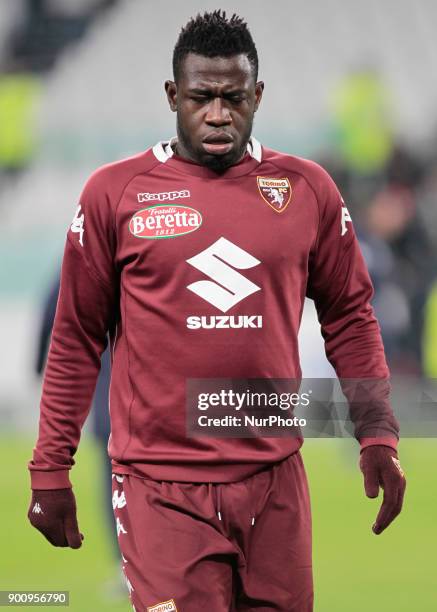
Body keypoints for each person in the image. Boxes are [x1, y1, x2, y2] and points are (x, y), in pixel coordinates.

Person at [27, 11, 406, 612]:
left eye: (234, 97)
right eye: (202, 97)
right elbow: (74, 339)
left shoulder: (305, 189)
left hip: (275, 480)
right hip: (160, 488)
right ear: (173, 95)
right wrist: (51, 468)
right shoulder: (114, 193)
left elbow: (352, 318)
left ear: (258, 95)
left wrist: (378, 435)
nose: (219, 113)